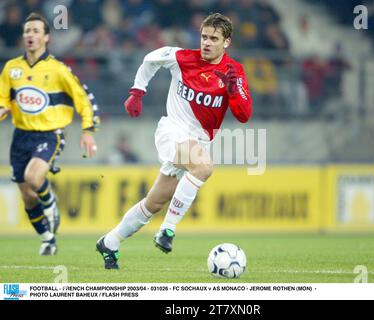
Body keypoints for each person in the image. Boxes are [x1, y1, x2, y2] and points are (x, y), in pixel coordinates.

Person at [96, 13, 252, 269]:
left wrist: (234, 90)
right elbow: (150, 59)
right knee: (204, 168)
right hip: (172, 131)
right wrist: (137, 92)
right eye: (204, 37)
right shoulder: (183, 57)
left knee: (153, 203)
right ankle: (167, 231)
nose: (207, 43)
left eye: (214, 38)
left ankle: (109, 242)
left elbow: (244, 115)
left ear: (227, 42)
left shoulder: (234, 71)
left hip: (199, 141)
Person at [0, 13, 100, 255]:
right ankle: (47, 239)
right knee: (26, 195)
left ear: (46, 37)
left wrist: (88, 129)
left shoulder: (58, 70)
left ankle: (50, 202)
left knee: (34, 178)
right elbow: (4, 101)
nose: (30, 35)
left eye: (35, 31)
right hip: (21, 136)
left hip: (49, 134)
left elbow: (84, 98)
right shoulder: (12, 68)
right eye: (26, 31)